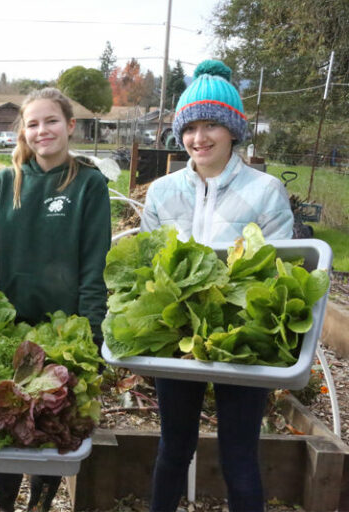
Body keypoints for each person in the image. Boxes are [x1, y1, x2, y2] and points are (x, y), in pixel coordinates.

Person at [141, 59, 294, 512]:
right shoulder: (162, 192)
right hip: (176, 338)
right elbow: (148, 270)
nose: (199, 138)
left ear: (232, 130)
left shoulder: (266, 191)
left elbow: (279, 273)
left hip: (244, 339)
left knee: (240, 455)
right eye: (190, 127)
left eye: (212, 125)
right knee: (173, 448)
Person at [0, 87, 111, 512]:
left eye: (51, 121)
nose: (42, 130)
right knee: (8, 422)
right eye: (32, 124)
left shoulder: (88, 184)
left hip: (65, 332)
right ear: (23, 133)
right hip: (11, 329)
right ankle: (2, 504)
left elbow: (94, 266)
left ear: (70, 126)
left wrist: (92, 330)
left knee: (52, 426)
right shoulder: (2, 186)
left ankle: (40, 505)